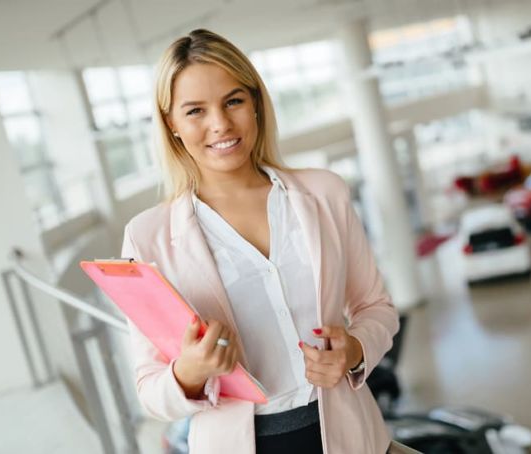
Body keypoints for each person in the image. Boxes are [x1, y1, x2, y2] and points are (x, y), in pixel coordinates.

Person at [120, 29, 405, 454]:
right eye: (196, 110)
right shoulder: (148, 238)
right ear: (171, 124)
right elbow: (150, 388)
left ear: (255, 104)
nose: (220, 124)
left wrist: (355, 348)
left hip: (350, 435)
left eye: (233, 100)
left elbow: (376, 308)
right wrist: (190, 371)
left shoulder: (325, 194)